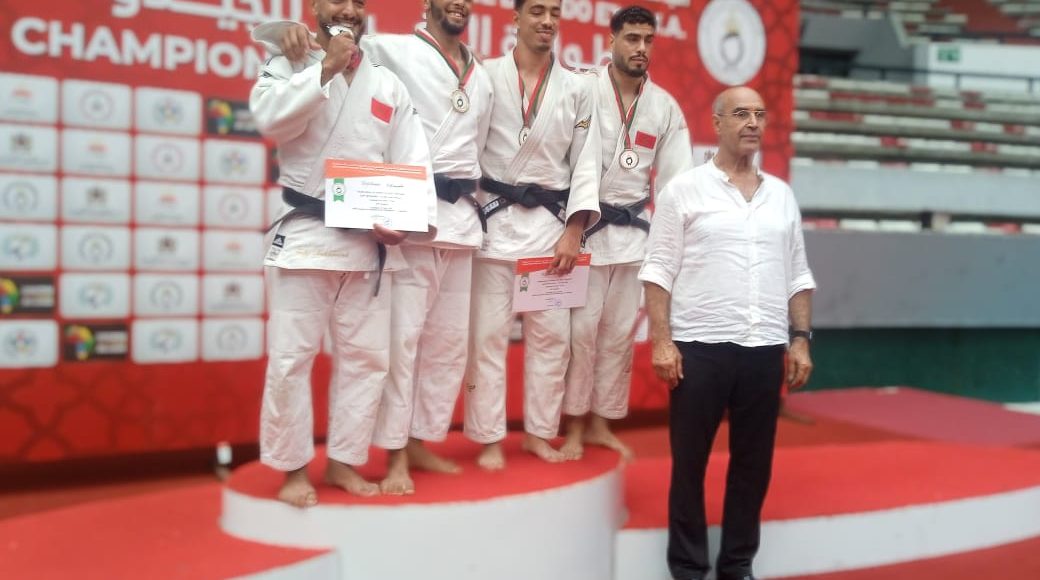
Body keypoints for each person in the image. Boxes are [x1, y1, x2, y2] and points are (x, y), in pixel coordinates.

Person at [257, 0, 493, 494]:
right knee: (291, 359)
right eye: (336, 1)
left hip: (368, 244)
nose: (348, 9)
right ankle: (293, 470)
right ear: (315, 8)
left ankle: (344, 461)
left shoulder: (386, 83)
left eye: (358, 2)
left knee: (367, 360)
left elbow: (410, 157)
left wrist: (407, 220)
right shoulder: (290, 63)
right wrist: (322, 68)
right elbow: (271, 120)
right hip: (306, 237)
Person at [639, 86, 816, 580]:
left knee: (753, 466)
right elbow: (657, 271)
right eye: (740, 113)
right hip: (699, 348)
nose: (752, 122)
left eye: (759, 114)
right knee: (689, 464)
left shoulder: (781, 195)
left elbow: (798, 274)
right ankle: (688, 568)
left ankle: (737, 565)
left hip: (764, 349)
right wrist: (662, 340)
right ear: (716, 123)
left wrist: (800, 338)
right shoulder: (683, 191)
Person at [465, 0, 601, 469]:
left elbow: (586, 161)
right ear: (516, 18)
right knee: (486, 339)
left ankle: (540, 433)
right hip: (494, 225)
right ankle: (488, 438)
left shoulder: (578, 89)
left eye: (554, 13)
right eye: (537, 11)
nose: (547, 21)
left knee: (552, 341)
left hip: (549, 230)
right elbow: (468, 147)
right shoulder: (486, 76)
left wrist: (574, 229)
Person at [559, 5, 693, 463]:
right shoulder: (583, 89)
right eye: (632, 38)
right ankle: (574, 425)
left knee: (617, 336)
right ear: (611, 40)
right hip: (587, 229)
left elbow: (676, 185)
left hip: (634, 235)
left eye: (648, 40)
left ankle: (601, 423)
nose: (641, 48)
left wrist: (669, 244)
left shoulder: (664, 107)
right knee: (581, 334)